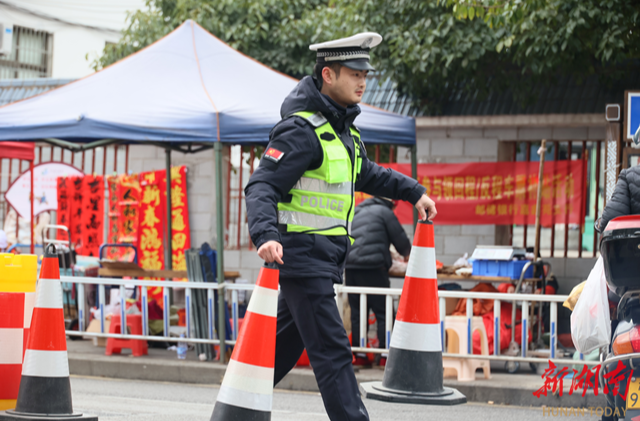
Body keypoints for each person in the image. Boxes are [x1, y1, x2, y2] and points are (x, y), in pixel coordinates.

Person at [245, 32, 436, 421]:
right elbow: (261, 184)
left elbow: (367, 173)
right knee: (333, 352)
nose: (363, 81)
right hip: (302, 259)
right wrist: (265, 234)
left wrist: (413, 191)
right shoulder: (301, 130)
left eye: (366, 73)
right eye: (354, 73)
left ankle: (234, 410)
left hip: (323, 261)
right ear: (328, 75)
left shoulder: (341, 131)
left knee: (271, 354)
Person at [345, 197, 411, 367]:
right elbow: (402, 243)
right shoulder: (385, 212)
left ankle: (359, 355)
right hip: (373, 269)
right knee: (384, 312)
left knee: (358, 312)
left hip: (351, 267)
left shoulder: (357, 210)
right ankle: (384, 356)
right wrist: (407, 255)